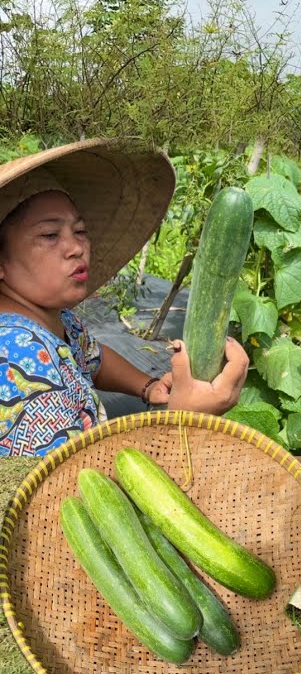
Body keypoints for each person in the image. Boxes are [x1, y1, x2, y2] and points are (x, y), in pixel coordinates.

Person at [0, 138, 247, 456]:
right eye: (50, 235)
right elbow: (68, 493)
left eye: (80, 231)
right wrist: (184, 422)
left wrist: (147, 386)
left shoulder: (55, 320)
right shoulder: (20, 363)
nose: (77, 247)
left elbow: (94, 358)